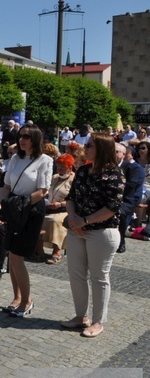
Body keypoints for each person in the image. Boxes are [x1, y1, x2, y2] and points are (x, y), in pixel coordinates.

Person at [62, 134, 124, 337]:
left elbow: (112, 207)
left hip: (102, 232)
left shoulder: (115, 175)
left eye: (89, 145)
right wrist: (73, 220)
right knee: (76, 275)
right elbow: (70, 198)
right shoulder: (82, 171)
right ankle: (81, 316)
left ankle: (98, 321)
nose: (84, 148)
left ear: (102, 149)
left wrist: (85, 221)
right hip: (76, 229)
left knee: (99, 277)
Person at [0, 125, 52, 317]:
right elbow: (6, 186)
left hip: (30, 209)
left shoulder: (45, 160)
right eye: (20, 136)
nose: (22, 139)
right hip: (13, 208)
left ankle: (27, 301)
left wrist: (22, 204)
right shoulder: (15, 158)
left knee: (17, 256)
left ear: (35, 139)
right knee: (12, 255)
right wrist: (3, 206)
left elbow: (43, 190)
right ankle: (17, 297)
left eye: (27, 136)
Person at [41, 154, 75, 264]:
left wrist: (60, 204)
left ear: (70, 168)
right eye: (58, 167)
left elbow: (75, 200)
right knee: (36, 217)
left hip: (64, 210)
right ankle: (38, 250)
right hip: (50, 207)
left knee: (55, 221)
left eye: (63, 168)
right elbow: (47, 192)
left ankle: (57, 251)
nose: (60, 170)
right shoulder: (54, 177)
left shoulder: (74, 180)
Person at [116, 144, 143, 254]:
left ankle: (121, 240)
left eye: (117, 151)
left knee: (121, 213)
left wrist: (113, 188)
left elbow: (131, 185)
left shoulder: (133, 168)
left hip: (126, 198)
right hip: (109, 197)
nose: (114, 154)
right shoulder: (107, 166)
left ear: (123, 154)